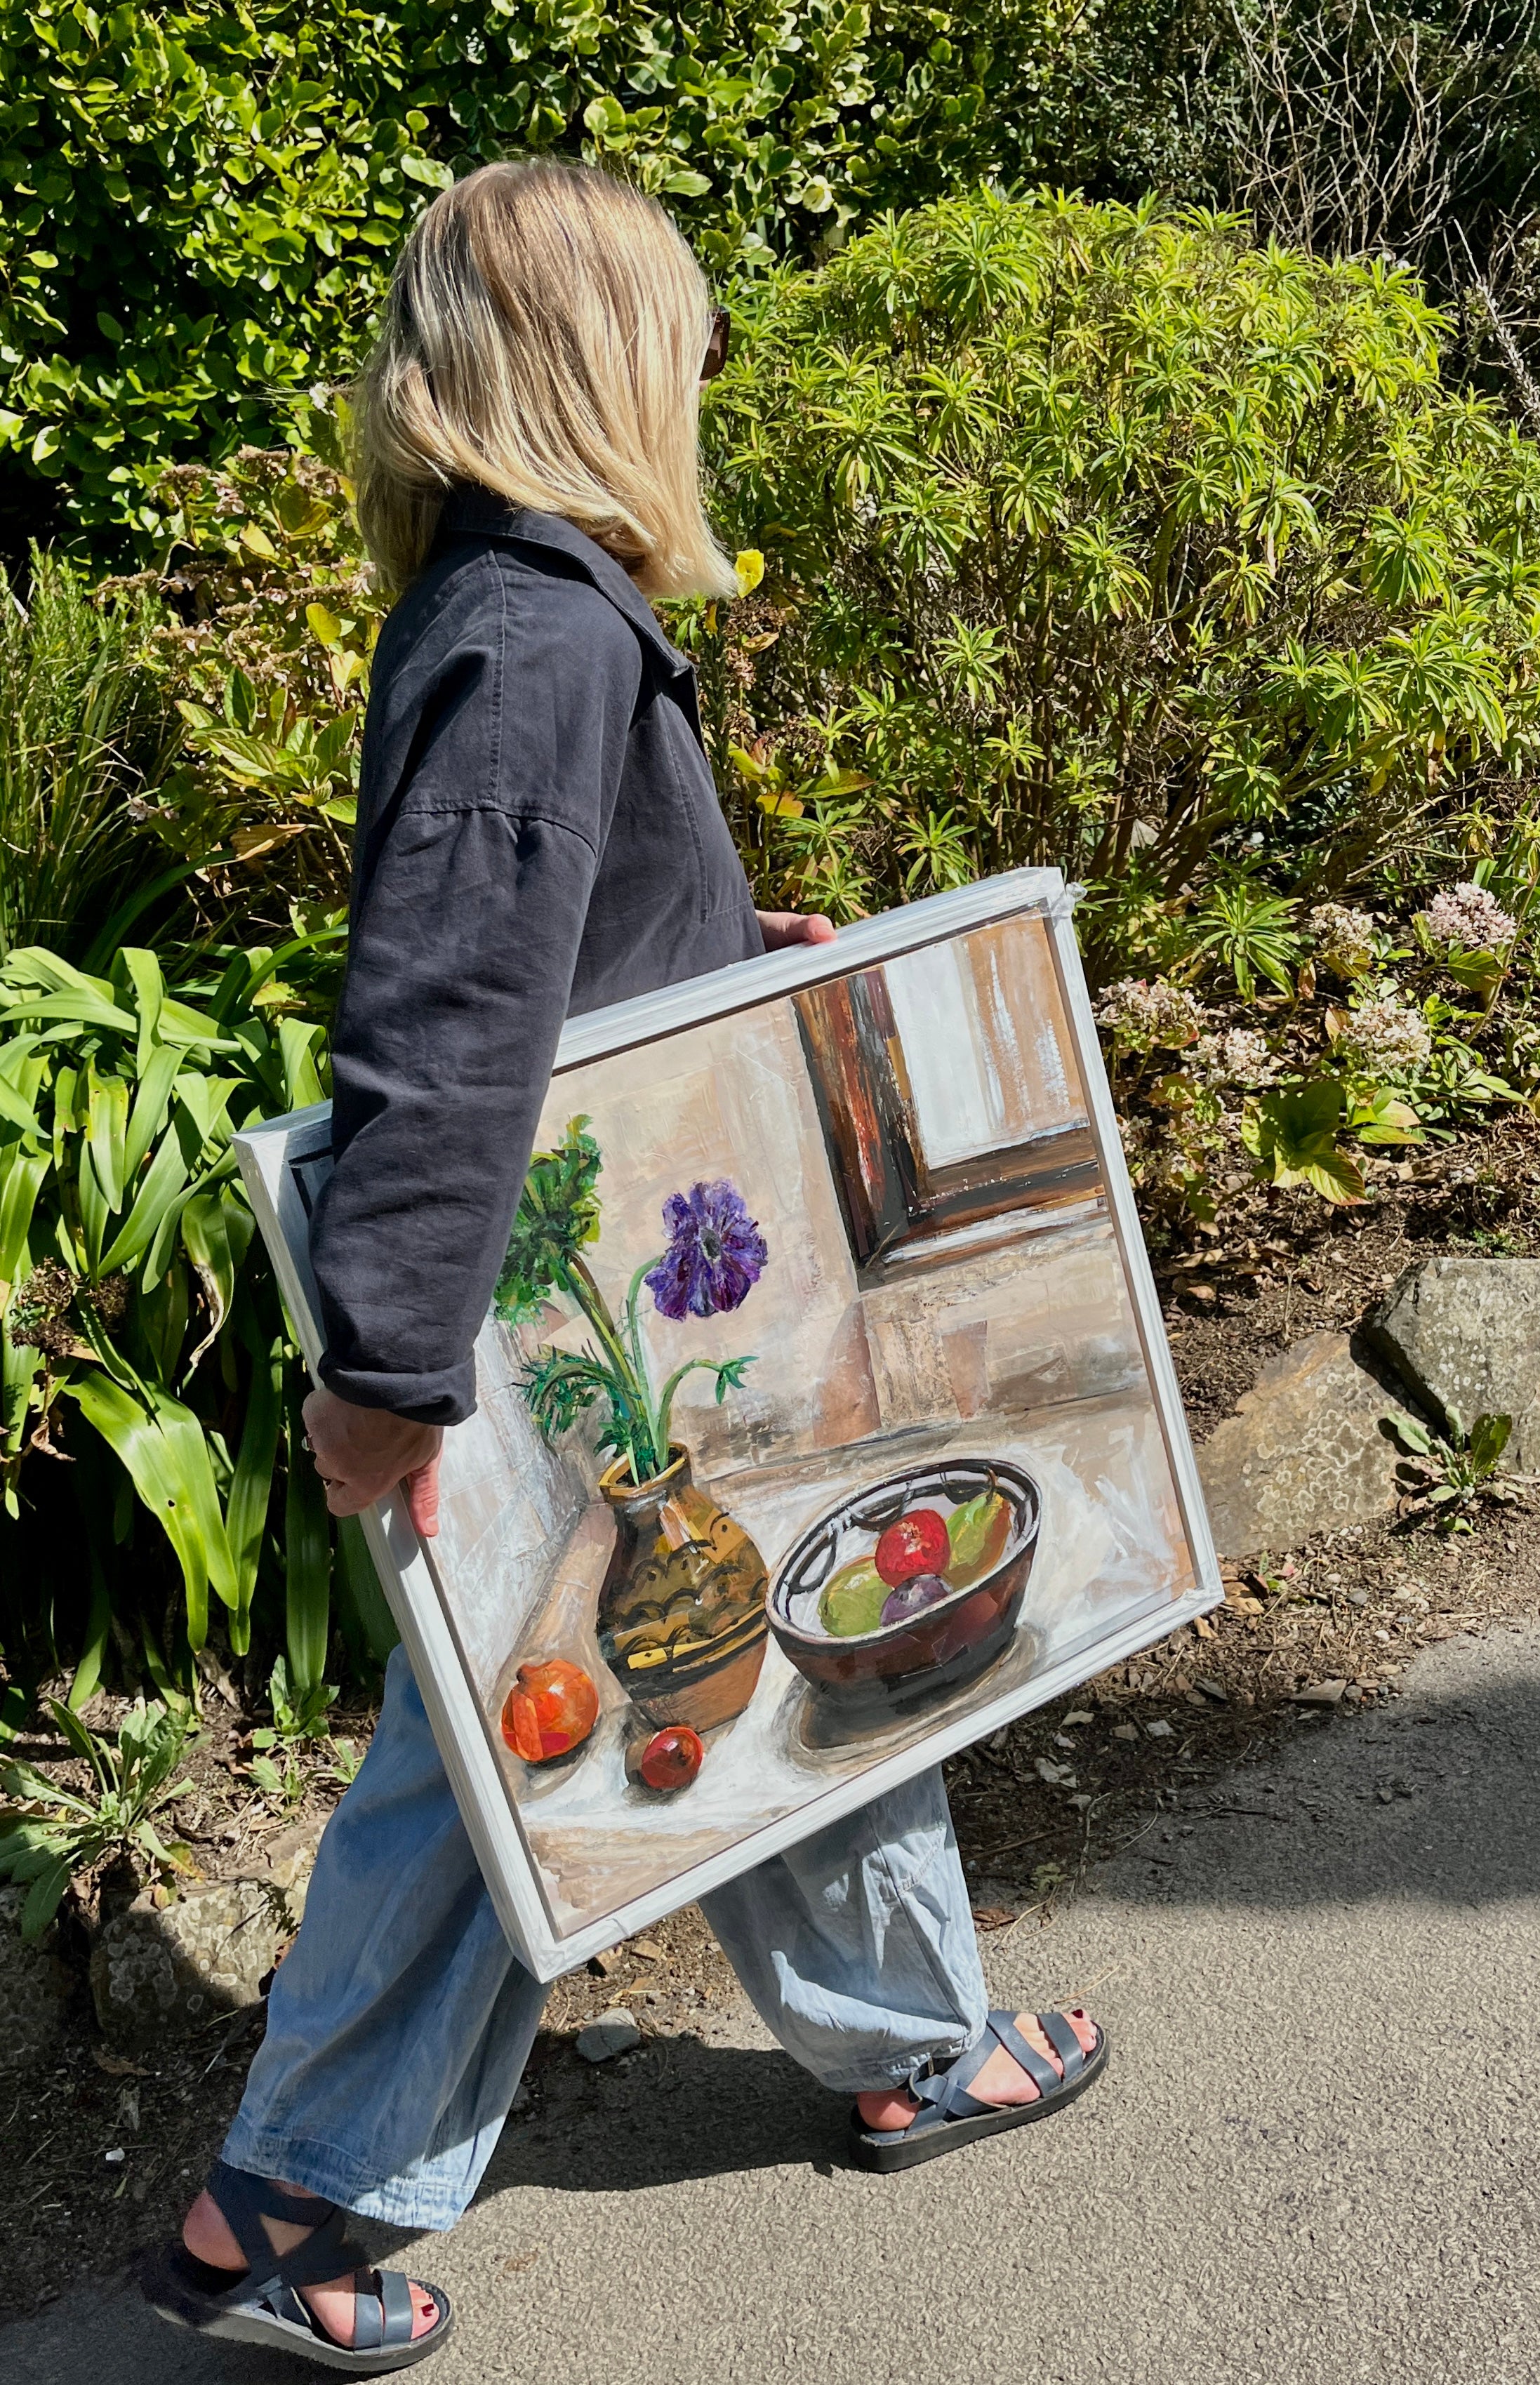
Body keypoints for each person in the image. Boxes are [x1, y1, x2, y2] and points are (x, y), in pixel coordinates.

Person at [143, 161, 1105, 2374]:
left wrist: (718, 966)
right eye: (676, 332)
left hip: (644, 1290)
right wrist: (388, 1360)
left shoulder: (538, 609)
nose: (701, 373)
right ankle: (278, 2214)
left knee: (752, 1637)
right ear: (599, 359)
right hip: (559, 1317)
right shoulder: (532, 632)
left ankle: (902, 2035)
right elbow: (453, 1010)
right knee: (520, 1733)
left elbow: (553, 947)